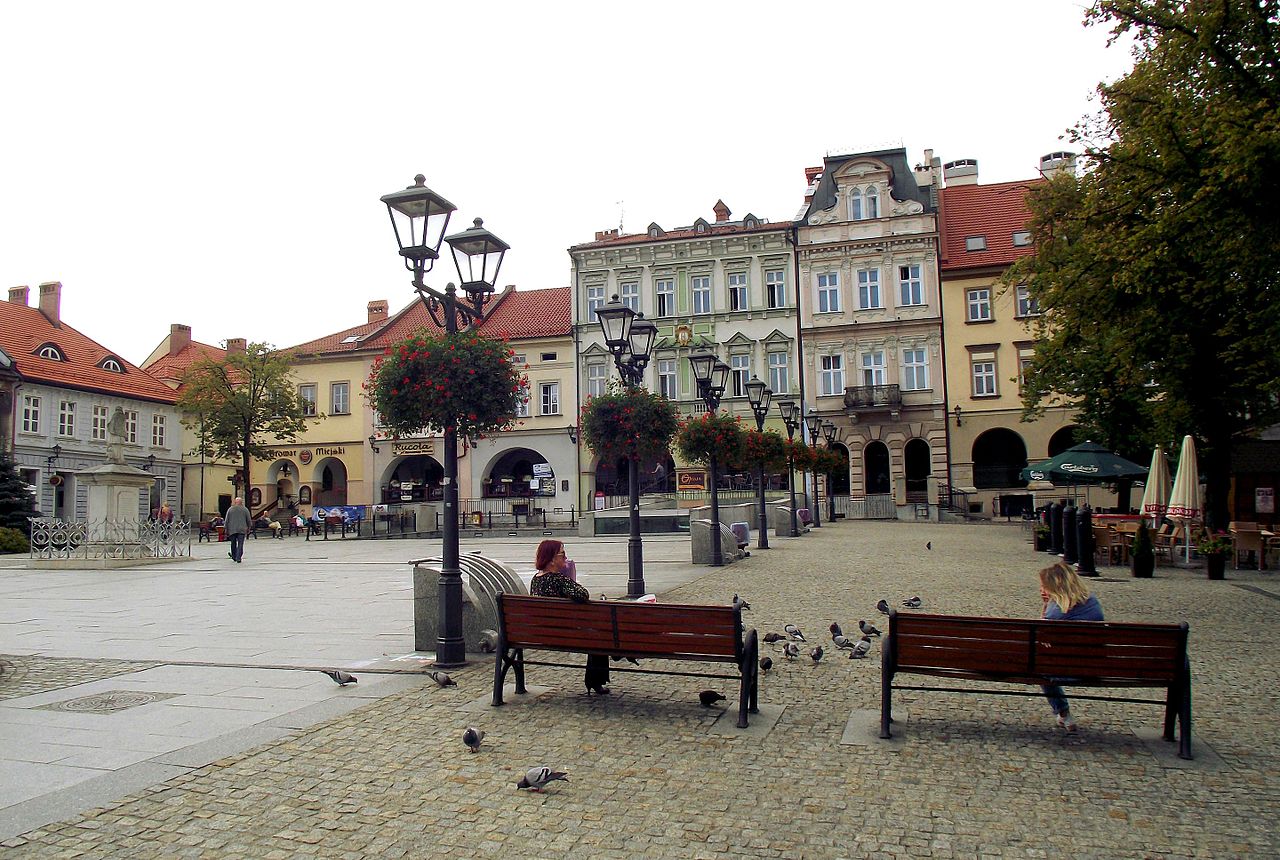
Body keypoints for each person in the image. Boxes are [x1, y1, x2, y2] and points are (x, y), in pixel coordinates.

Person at [530, 539, 610, 695]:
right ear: (552, 559)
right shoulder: (559, 580)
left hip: (542, 633)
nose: (565, 558)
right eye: (563, 554)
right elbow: (583, 594)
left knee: (597, 632)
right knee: (600, 635)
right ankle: (596, 681)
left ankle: (597, 679)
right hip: (565, 635)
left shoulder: (536, 580)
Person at [1038, 561, 1104, 732]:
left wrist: (1046, 605)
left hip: (1063, 671)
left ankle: (1063, 712)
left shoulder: (1055, 613)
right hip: (1093, 668)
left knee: (1039, 665)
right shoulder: (1093, 603)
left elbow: (1042, 639)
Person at [223, 497, 252, 563]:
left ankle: (234, 556)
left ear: (235, 502)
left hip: (232, 529)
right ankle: (238, 557)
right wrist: (249, 527)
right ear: (241, 502)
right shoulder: (245, 509)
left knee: (233, 543)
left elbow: (227, 520)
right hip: (242, 529)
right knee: (240, 544)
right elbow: (248, 519)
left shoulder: (230, 509)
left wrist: (226, 528)